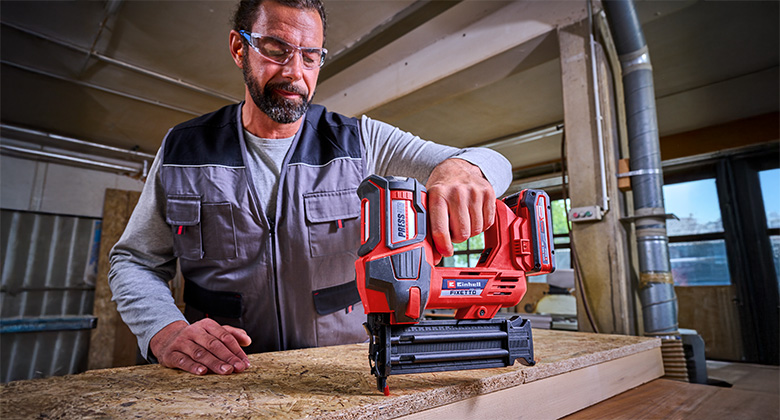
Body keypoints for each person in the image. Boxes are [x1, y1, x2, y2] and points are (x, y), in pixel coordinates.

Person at [109, 0, 512, 377]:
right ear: (239, 48)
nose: (294, 72)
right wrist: (163, 329)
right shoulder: (183, 148)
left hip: (343, 376)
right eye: (275, 48)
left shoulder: (361, 141)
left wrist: (464, 169)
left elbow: (494, 162)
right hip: (224, 379)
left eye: (310, 56)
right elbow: (134, 261)